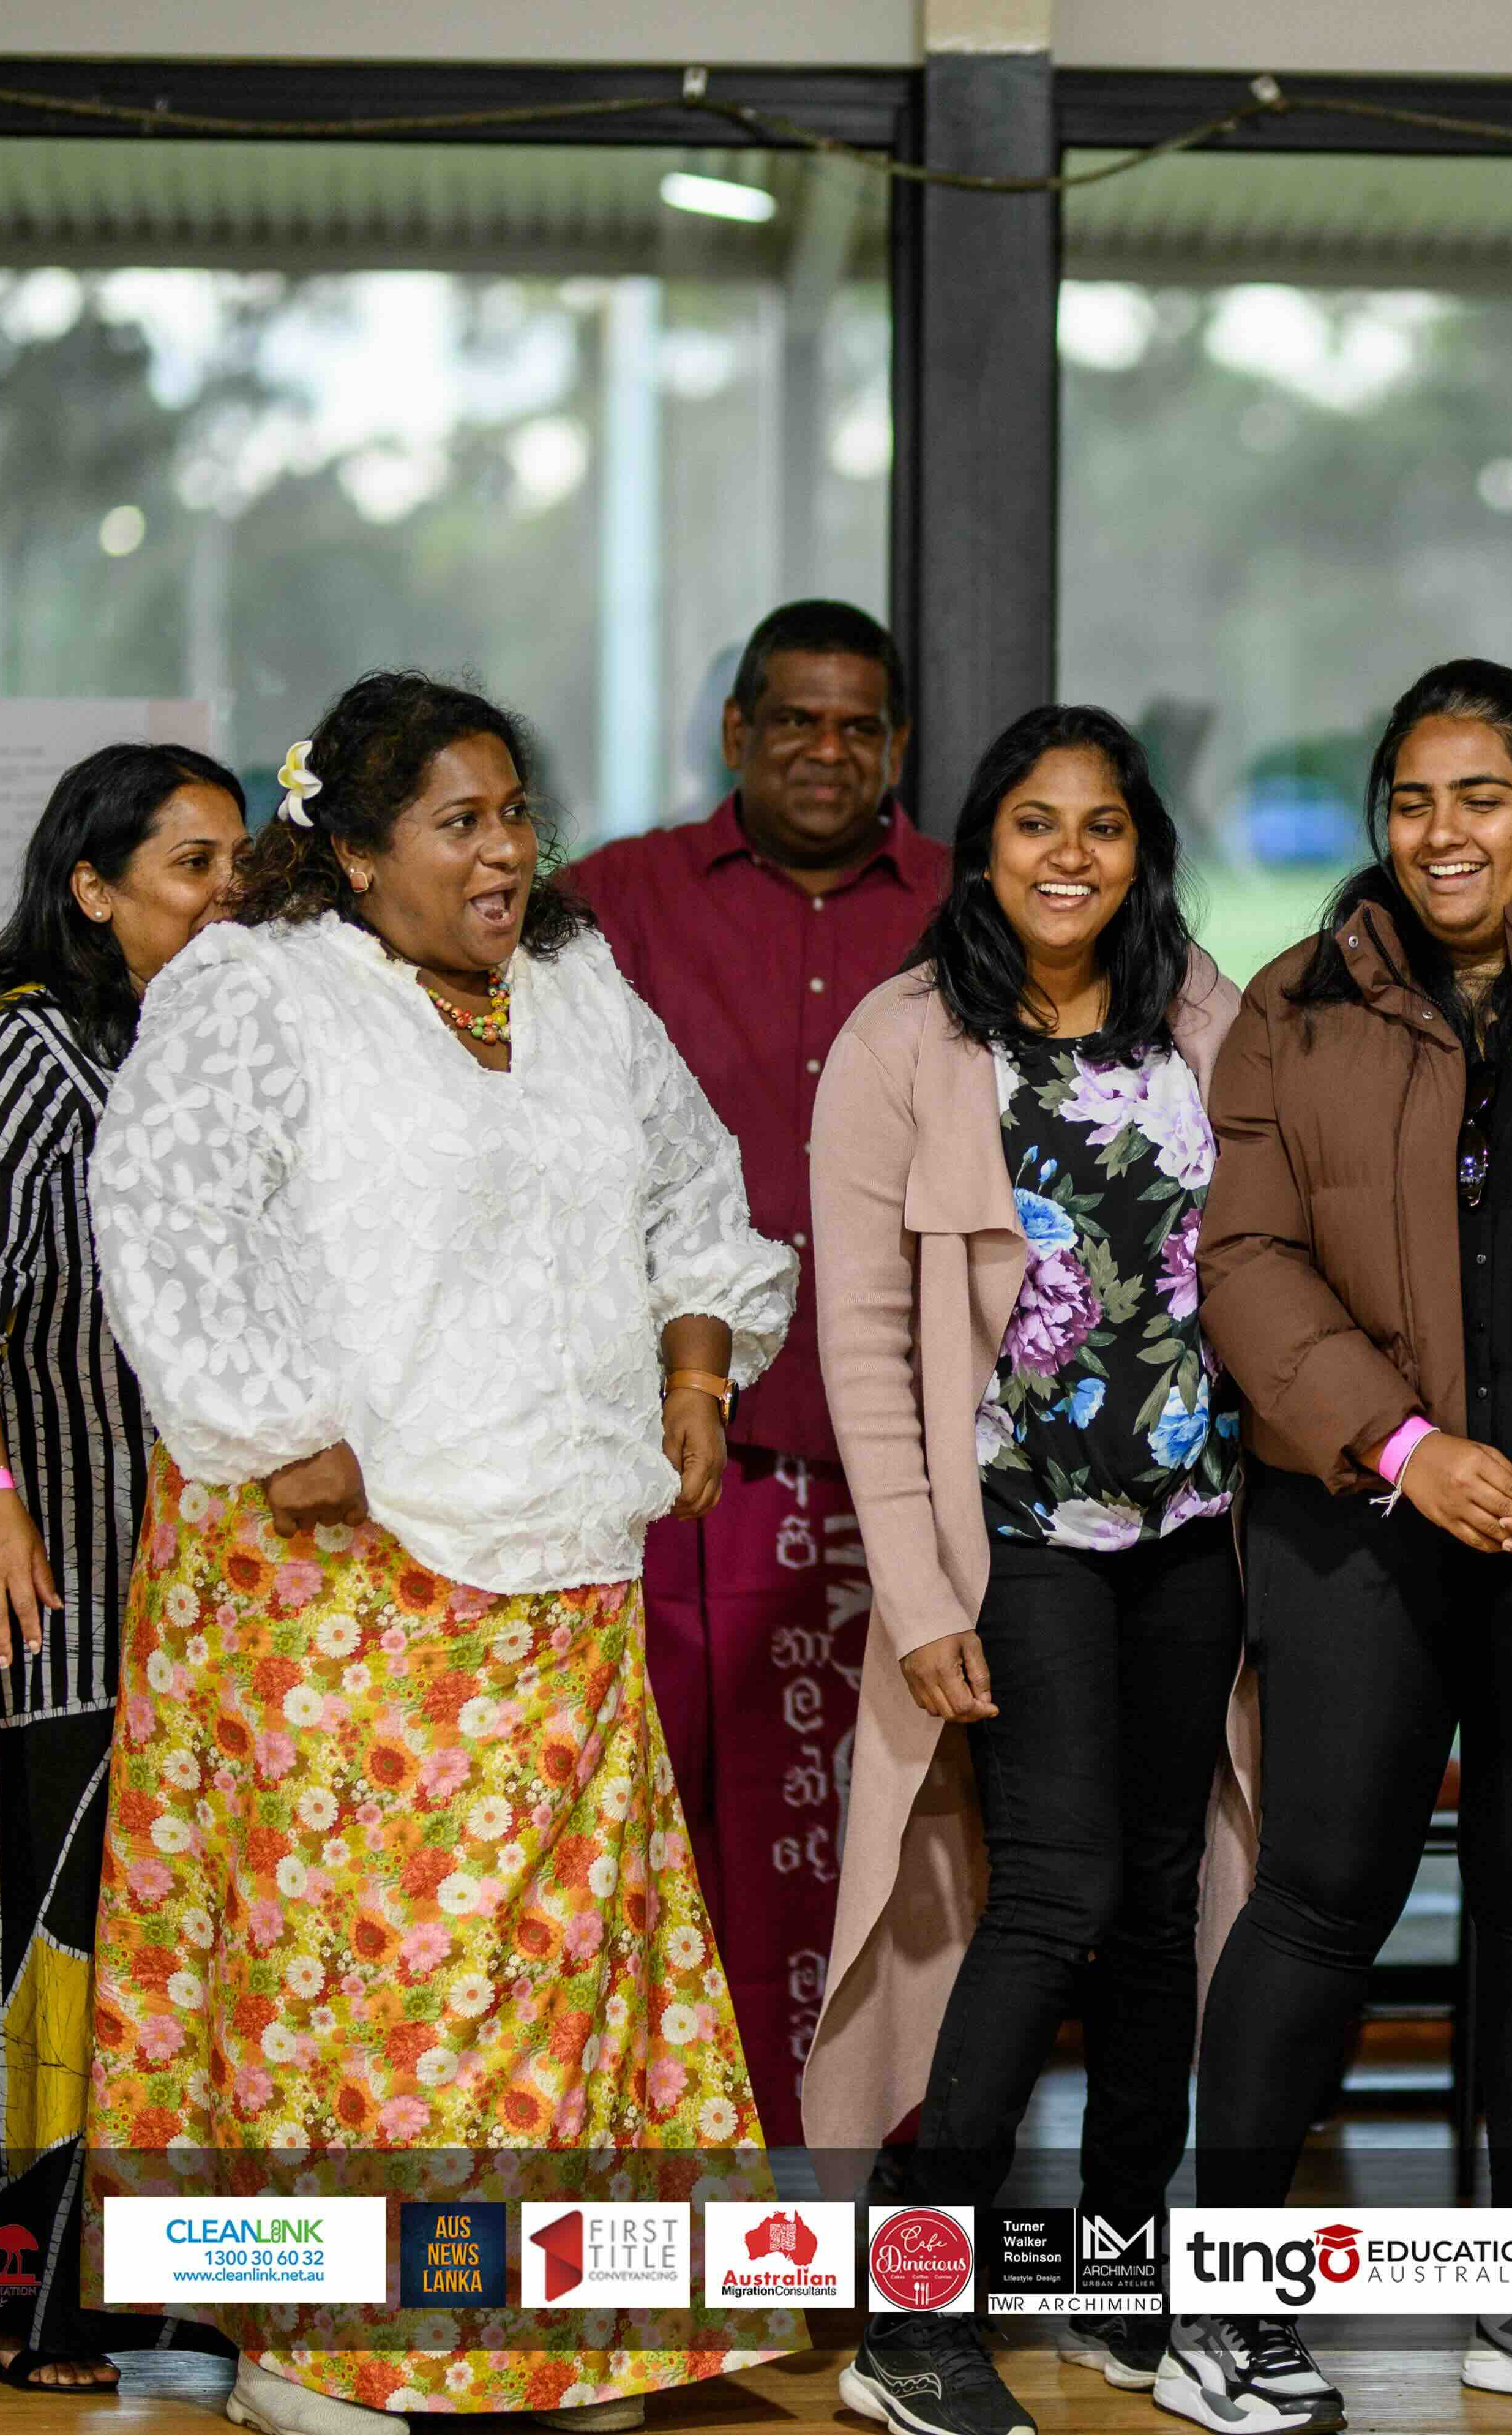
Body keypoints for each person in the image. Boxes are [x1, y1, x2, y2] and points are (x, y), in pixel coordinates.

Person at [81, 675, 795, 2435]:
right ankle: (321, 2351)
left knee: (555, 1975)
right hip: (340, 1572)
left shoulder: (575, 985)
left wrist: (698, 1360)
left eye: (515, 814)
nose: (503, 854)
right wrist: (270, 1424)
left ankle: (558, 2337)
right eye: (459, 823)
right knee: (362, 1979)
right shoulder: (257, 988)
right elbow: (161, 1210)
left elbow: (692, 1189)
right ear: (347, 845)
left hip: (554, 1556)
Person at [1180, 658, 1512, 2432]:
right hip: (1361, 1521)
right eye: (1410, 799)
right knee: (1323, 1895)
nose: (1440, 831)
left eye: (1481, 796)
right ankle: (1226, 2308)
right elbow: (1244, 1264)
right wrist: (1403, 1444)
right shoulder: (1299, 1002)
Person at [805, 706, 1262, 2435]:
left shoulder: (1203, 1011)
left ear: (1142, 847)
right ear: (979, 846)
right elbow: (860, 1341)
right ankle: (908, 2311)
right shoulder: (904, 1041)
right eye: (1030, 823)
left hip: (1192, 1523)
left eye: (1102, 825)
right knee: (1055, 1888)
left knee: (1160, 1902)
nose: (1066, 854)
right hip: (1014, 1536)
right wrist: (921, 1597)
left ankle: (1122, 2275)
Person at [0, 742, 249, 2387]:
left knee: (149, 1955)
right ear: (92, 888)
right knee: (42, 1941)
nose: (229, 895)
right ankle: (18, 2299)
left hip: (195, 1592)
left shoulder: (196, 1057)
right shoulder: (25, 1053)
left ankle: (126, 2273)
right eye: (190, 866)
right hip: (59, 1585)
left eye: (241, 863)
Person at [564, 599, 949, 2143]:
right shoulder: (615, 902)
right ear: (736, 731)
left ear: (898, 748)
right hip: (674, 1445)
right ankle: (678, 2151)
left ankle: (880, 2162)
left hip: (901, 1456)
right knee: (664, 1802)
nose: (824, 750)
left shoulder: (960, 908)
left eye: (858, 725)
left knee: (884, 1827)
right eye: (794, 718)